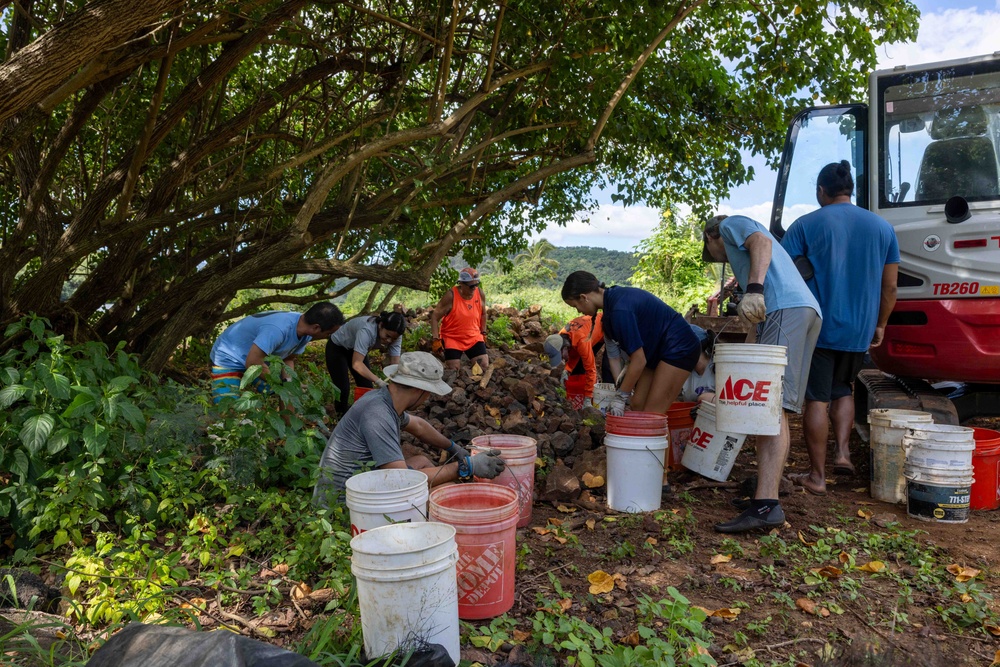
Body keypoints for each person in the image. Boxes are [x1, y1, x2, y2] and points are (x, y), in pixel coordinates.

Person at [781, 161, 900, 494]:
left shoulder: (805, 225)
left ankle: (817, 477)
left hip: (819, 327)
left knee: (816, 399)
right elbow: (890, 288)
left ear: (821, 191)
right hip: (859, 328)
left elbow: (785, 274)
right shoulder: (882, 228)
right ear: (850, 190)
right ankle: (843, 453)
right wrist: (880, 324)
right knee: (843, 389)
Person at [702, 213, 822, 533]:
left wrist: (754, 289)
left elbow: (762, 241)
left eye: (711, 253)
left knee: (770, 408)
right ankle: (765, 498)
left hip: (787, 309)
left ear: (711, 238)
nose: (719, 258)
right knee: (773, 408)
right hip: (797, 311)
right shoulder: (752, 265)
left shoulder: (730, 226)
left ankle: (766, 505)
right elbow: (756, 327)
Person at [313, 352, 506, 504]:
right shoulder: (378, 415)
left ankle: (455, 503)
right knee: (435, 499)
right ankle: (454, 513)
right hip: (345, 503)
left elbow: (419, 426)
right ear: (420, 390)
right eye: (429, 394)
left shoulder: (383, 400)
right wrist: (465, 467)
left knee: (422, 461)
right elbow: (400, 479)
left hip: (362, 484)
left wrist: (452, 448)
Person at [561, 272, 700, 416]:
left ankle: (657, 436)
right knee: (637, 404)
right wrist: (620, 391)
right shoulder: (611, 304)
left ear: (584, 297)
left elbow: (639, 360)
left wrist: (621, 396)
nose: (578, 311)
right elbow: (615, 357)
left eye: (575, 306)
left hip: (679, 347)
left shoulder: (619, 310)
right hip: (656, 351)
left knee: (652, 414)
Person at [210, 302, 344, 403]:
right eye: (329, 333)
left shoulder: (305, 333)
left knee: (287, 392)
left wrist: (288, 382)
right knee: (227, 405)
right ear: (316, 328)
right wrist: (280, 384)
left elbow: (289, 359)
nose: (328, 337)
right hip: (229, 357)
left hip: (257, 358)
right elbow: (253, 362)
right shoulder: (277, 330)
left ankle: (288, 431)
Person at [325, 311, 407, 415]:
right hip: (337, 347)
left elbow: (394, 362)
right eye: (387, 336)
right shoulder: (367, 330)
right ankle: (341, 415)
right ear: (381, 325)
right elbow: (357, 364)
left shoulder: (396, 335)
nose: (389, 341)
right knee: (343, 388)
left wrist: (396, 381)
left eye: (393, 338)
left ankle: (363, 414)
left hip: (357, 348)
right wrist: (379, 381)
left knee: (366, 387)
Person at [544, 315, 624, 406]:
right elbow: (574, 352)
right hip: (592, 332)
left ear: (565, 347)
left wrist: (588, 398)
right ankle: (582, 394)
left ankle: (612, 401)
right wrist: (567, 369)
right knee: (577, 370)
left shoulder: (582, 340)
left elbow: (591, 369)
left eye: (561, 356)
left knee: (607, 366)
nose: (562, 359)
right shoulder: (561, 336)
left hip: (609, 326)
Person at [430, 268, 489, 370]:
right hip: (452, 338)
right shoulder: (451, 296)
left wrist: (483, 332)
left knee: (483, 365)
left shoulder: (479, 294)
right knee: (453, 369)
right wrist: (436, 339)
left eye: (476, 285)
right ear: (461, 283)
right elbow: (435, 317)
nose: (474, 288)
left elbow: (483, 314)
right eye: (471, 286)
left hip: (473, 336)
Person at [679, 324, 716, 403]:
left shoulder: (719, 367)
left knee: (705, 398)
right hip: (692, 414)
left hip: (717, 413)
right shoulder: (683, 371)